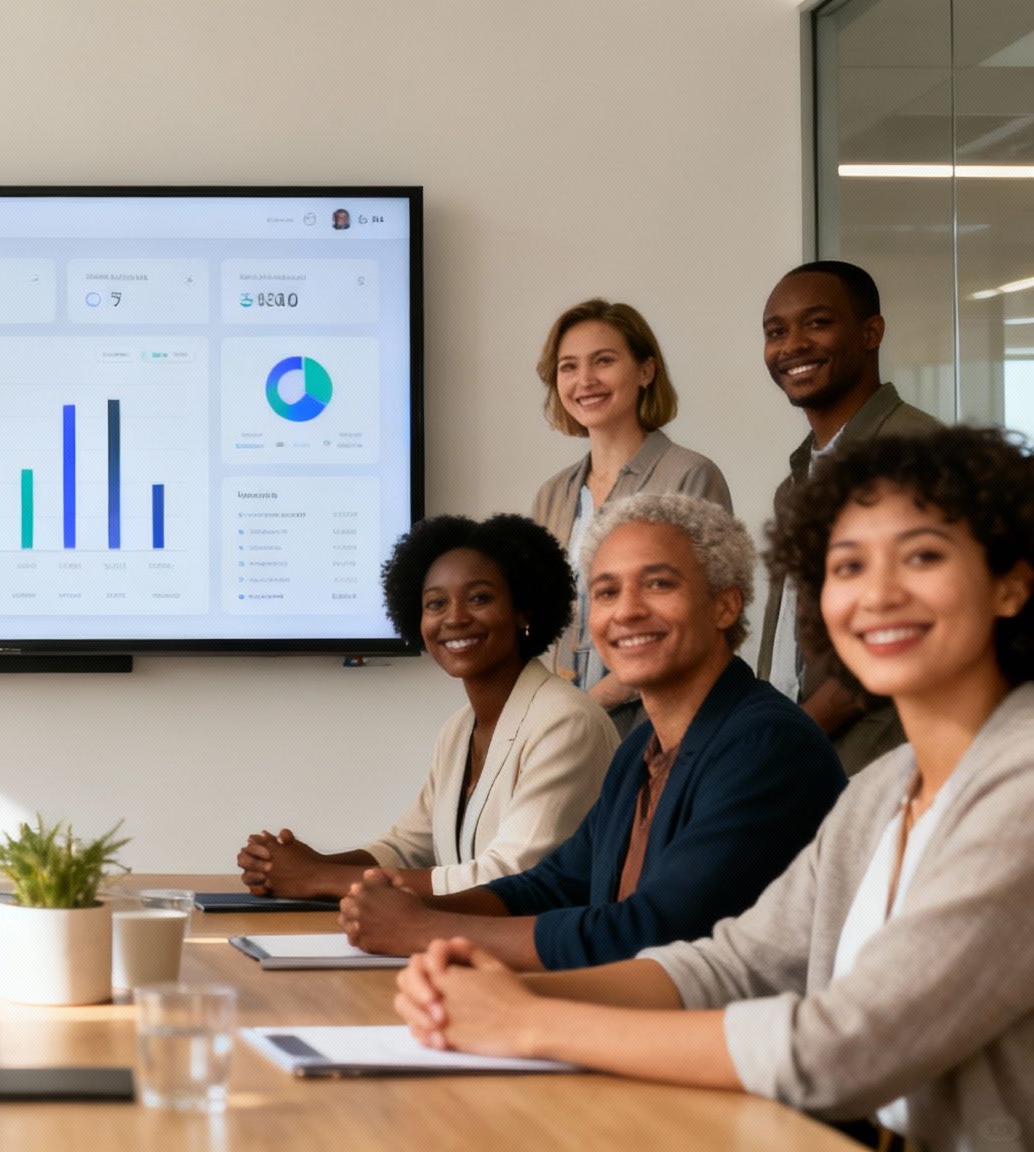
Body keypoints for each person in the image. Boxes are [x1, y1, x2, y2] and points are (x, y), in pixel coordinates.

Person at [393, 426, 1034, 1152]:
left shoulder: (1022, 786)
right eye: (847, 566)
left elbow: (840, 1048)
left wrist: (528, 1021)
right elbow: (736, 961)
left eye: (921, 556)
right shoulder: (885, 788)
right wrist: (499, 994)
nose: (878, 594)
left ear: (1012, 581)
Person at [339, 495, 845, 970]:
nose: (626, 611)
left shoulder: (766, 745)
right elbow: (557, 884)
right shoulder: (641, 754)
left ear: (725, 606)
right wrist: (420, 905)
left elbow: (651, 933)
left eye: (659, 584)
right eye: (606, 591)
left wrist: (429, 930)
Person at [235, 515, 616, 899]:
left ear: (524, 611)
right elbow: (406, 849)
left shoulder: (567, 723)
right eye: (436, 603)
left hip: (548, 956)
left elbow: (507, 877)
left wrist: (317, 879)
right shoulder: (458, 730)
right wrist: (307, 865)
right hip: (464, 946)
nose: (454, 617)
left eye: (479, 598)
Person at [756, 261, 942, 774]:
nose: (791, 344)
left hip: (883, 761)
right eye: (776, 331)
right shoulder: (796, 482)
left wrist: (793, 736)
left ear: (870, 332)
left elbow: (912, 622)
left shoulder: (914, 453)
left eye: (817, 323)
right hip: (810, 756)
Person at [528, 299, 730, 733]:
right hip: (570, 730)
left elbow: (696, 619)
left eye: (603, 361)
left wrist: (587, 708)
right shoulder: (552, 496)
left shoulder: (690, 475)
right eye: (568, 367)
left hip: (660, 726)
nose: (584, 380)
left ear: (645, 371)